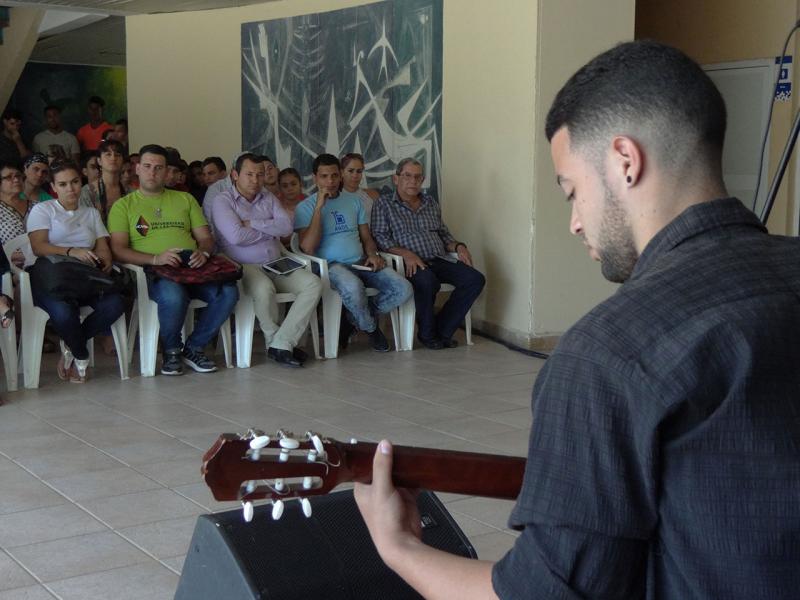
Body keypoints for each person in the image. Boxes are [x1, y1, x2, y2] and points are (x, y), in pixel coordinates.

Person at [355, 40, 800, 600]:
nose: (573, 222)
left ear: (625, 161)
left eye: (571, 191)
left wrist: (401, 548)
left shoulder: (608, 352)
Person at [108, 144, 238, 376]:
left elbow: (205, 238)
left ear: (167, 171)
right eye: (147, 166)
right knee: (173, 295)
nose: (152, 172)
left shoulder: (185, 199)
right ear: (137, 168)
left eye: (159, 168)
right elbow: (118, 250)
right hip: (154, 271)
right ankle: (171, 350)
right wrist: (156, 258)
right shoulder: (123, 206)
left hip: (193, 267)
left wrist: (204, 252)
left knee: (228, 292)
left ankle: (194, 347)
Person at [211, 153, 321, 367]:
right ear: (235, 175)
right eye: (249, 174)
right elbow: (236, 237)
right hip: (243, 265)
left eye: (259, 174)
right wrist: (269, 230)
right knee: (264, 288)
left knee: (313, 284)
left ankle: (281, 342)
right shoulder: (222, 201)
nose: (255, 180)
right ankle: (275, 341)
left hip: (276, 261)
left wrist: (251, 223)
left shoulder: (268, 198)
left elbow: (286, 227)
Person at [295, 153, 412, 352]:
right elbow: (307, 247)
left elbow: (366, 237)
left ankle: (353, 317)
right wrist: (318, 209)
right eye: (324, 176)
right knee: (353, 288)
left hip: (361, 261)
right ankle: (370, 327)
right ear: (315, 178)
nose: (330, 181)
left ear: (340, 175)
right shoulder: (304, 207)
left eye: (334, 175)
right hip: (331, 266)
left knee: (403, 288)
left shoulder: (354, 201)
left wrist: (373, 254)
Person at [27, 161, 125, 383]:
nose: (70, 188)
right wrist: (72, 251)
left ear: (81, 183)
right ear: (53, 187)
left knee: (116, 304)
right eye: (63, 184)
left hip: (85, 276)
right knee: (63, 312)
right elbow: (38, 247)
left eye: (74, 182)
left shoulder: (90, 213)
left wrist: (105, 259)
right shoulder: (44, 210)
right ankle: (81, 354)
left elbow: (102, 246)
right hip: (52, 277)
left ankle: (70, 345)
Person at [372, 158, 485, 349]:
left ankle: (441, 330)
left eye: (417, 177)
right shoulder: (384, 204)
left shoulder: (430, 203)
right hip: (407, 263)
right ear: (396, 178)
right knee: (427, 281)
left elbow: (444, 234)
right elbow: (380, 238)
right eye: (407, 176)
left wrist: (459, 247)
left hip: (438, 258)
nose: (413, 181)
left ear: (422, 180)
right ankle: (427, 334)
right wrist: (406, 254)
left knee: (475, 279)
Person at [79, 139, 128, 223]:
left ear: (123, 161)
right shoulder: (87, 192)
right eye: (108, 154)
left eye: (118, 155)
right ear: (99, 161)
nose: (113, 158)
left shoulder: (130, 191)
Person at [340, 153, 379, 221]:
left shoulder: (372, 195)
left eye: (359, 171)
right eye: (351, 171)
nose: (355, 175)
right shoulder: (334, 197)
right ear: (342, 172)